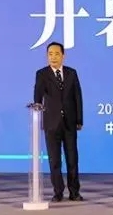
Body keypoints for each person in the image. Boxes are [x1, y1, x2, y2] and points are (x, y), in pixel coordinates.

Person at [33, 41, 84, 202]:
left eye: (56, 54)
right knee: (54, 160)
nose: (53, 57)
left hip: (70, 122)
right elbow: (37, 98)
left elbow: (77, 97)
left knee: (72, 159)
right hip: (51, 123)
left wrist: (79, 119)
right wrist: (38, 117)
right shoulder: (42, 74)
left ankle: (74, 192)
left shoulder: (71, 73)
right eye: (50, 54)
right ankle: (58, 192)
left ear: (63, 55)